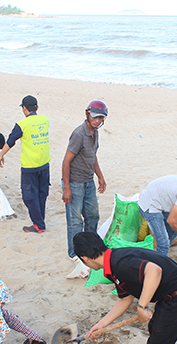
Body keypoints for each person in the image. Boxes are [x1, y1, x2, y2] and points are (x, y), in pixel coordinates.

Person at [62, 100, 108, 260]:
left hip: (88, 181)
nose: (97, 121)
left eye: (100, 118)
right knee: (75, 221)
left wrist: (100, 177)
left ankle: (90, 248)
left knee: (93, 216)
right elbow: (66, 161)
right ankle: (74, 253)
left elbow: (92, 156)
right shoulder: (79, 134)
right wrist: (66, 188)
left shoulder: (95, 132)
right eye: (94, 117)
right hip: (74, 183)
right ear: (87, 114)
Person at [0, 95, 50, 233]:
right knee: (41, 194)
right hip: (44, 163)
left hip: (30, 166)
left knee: (29, 196)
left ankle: (39, 225)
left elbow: (11, 141)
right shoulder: (45, 120)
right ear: (37, 108)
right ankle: (40, 221)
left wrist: (1, 154)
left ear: (24, 108)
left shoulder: (21, 124)